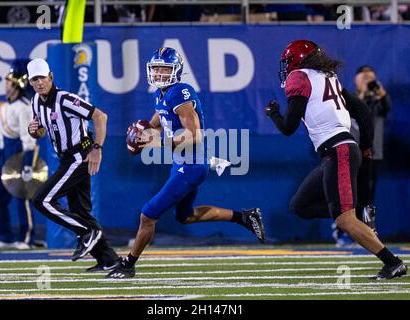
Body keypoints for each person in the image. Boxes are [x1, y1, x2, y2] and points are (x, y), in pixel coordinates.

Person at [106, 47, 266, 279]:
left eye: (165, 69)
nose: (160, 73)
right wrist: (142, 131)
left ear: (176, 71)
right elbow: (157, 121)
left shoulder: (180, 92)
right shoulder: (161, 94)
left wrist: (156, 141)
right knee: (185, 216)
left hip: (191, 165)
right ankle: (245, 217)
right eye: (156, 69)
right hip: (181, 163)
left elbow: (194, 135)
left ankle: (128, 264)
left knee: (147, 215)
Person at [265, 40, 406, 280]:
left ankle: (392, 262)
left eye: (289, 61)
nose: (288, 67)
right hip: (340, 150)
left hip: (338, 150)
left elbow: (288, 127)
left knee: (344, 220)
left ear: (298, 60)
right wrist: (366, 147)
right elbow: (361, 109)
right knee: (300, 205)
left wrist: (274, 114)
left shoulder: (299, 77)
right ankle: (355, 214)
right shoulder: (328, 77)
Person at [27, 58, 121, 270]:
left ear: (51, 77)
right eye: (35, 79)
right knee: (80, 210)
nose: (39, 82)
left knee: (42, 200)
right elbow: (42, 130)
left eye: (42, 77)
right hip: (66, 158)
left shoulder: (65, 99)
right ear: (30, 82)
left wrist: (97, 148)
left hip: (79, 155)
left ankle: (87, 232)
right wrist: (34, 131)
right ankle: (110, 260)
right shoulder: (35, 101)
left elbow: (100, 116)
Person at [332, 65, 392, 246]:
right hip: (352, 152)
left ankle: (366, 233)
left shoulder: (377, 101)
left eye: (370, 77)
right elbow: (351, 111)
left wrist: (380, 93)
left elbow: (387, 107)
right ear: (356, 79)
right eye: (363, 77)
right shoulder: (349, 97)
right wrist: (363, 94)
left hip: (373, 153)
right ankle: (341, 232)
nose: (367, 80)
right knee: (348, 195)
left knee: (367, 196)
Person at [0, 59, 38, 250]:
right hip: (6, 157)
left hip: (20, 155)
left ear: (18, 83)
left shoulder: (24, 108)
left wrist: (27, 166)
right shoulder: (4, 108)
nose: (5, 84)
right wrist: (0, 161)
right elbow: (3, 139)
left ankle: (27, 239)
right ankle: (5, 236)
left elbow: (29, 140)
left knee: (22, 199)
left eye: (9, 81)